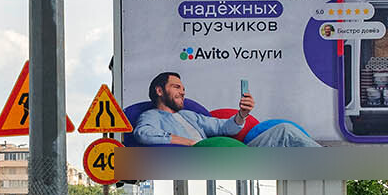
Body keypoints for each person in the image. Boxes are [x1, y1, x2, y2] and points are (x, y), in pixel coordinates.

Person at [133, 72, 317, 147]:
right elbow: (143, 134)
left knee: (284, 130)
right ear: (159, 91)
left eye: (183, 88)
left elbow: (223, 127)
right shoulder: (151, 115)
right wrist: (190, 143)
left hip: (233, 153)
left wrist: (242, 115)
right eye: (176, 87)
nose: (182, 92)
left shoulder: (189, 115)